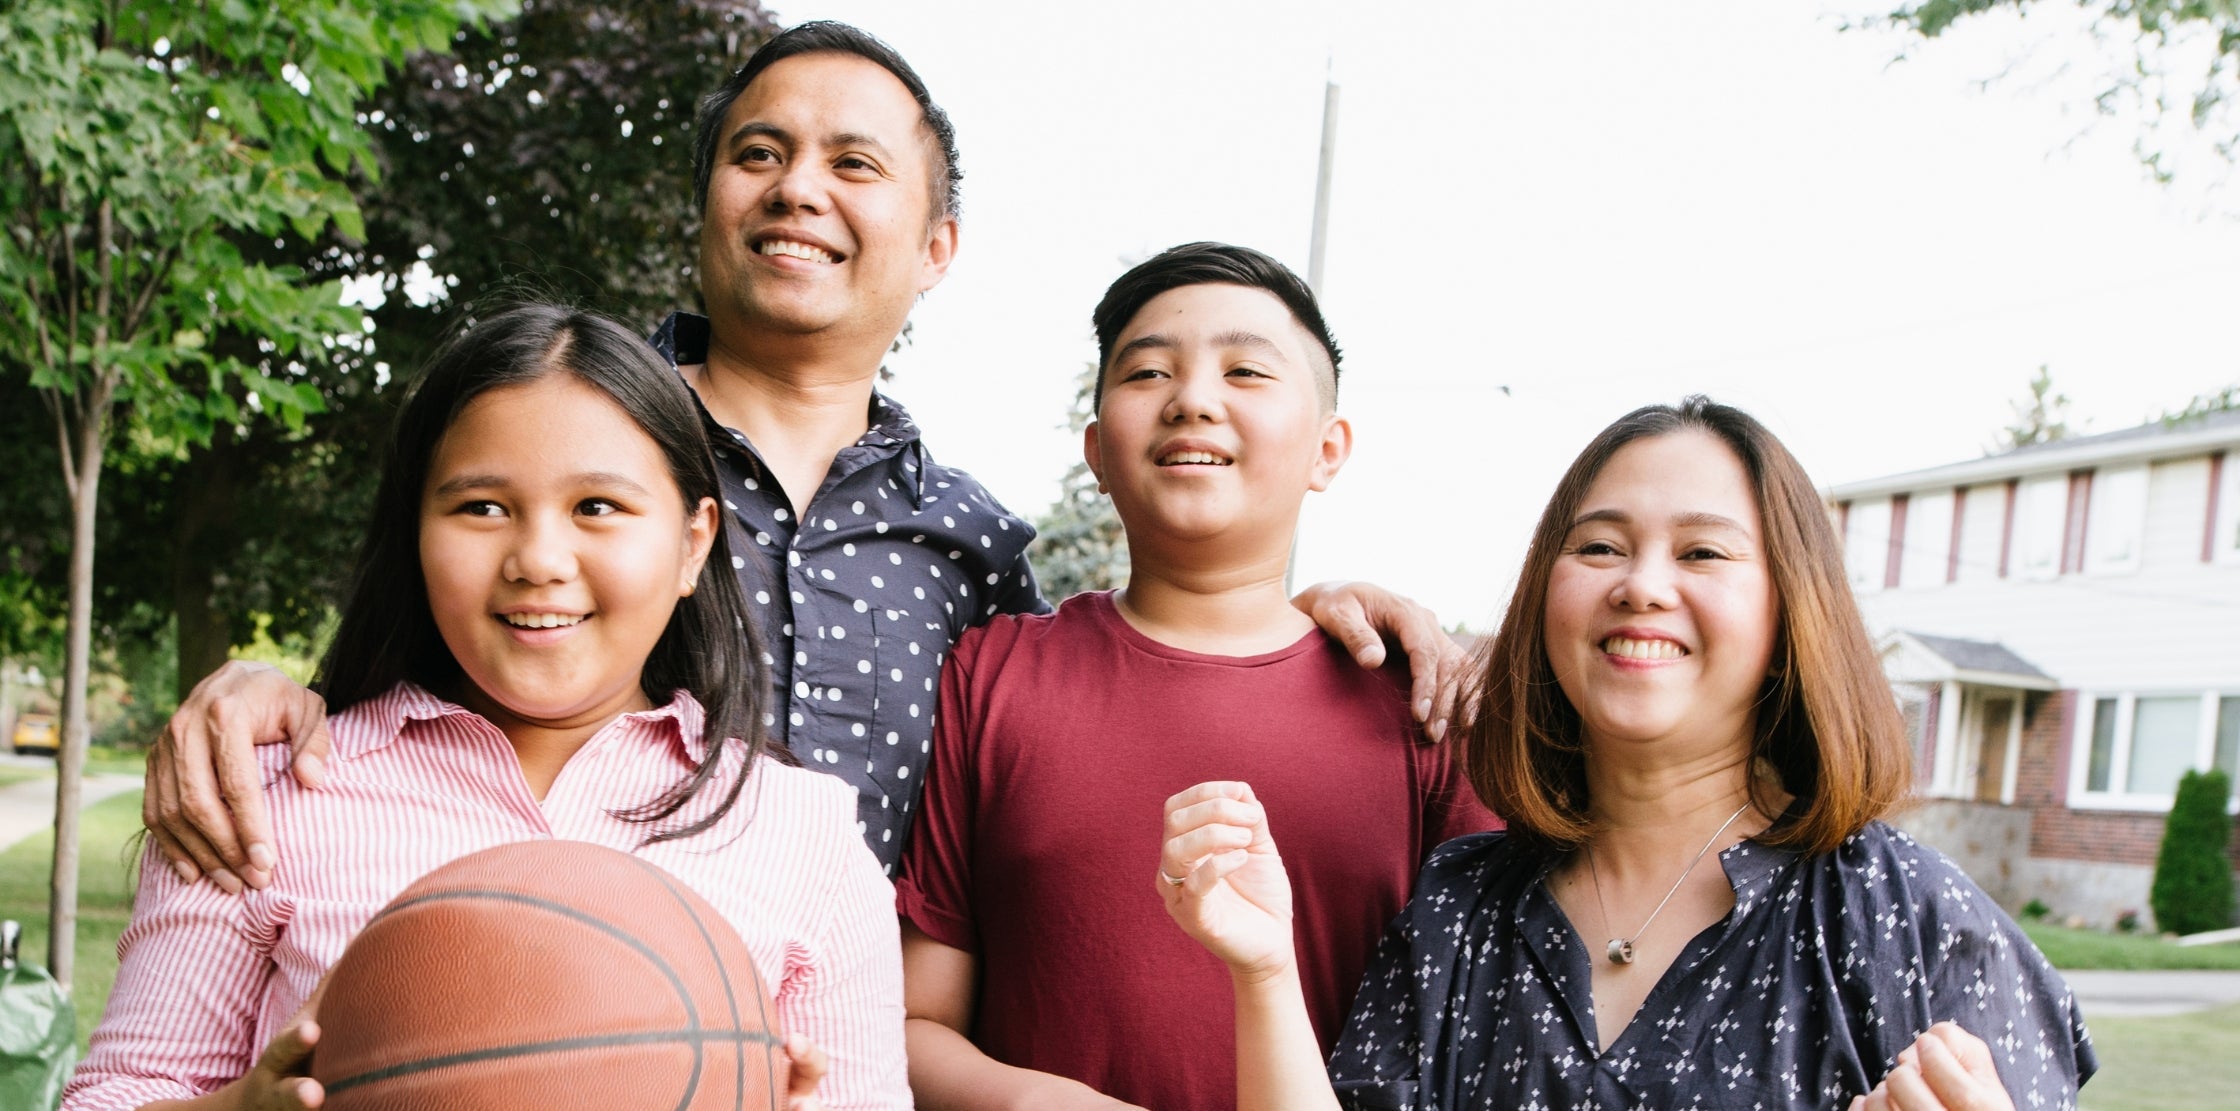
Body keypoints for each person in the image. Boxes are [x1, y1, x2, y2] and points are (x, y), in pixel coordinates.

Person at [140, 20, 1464, 890]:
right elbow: (403, 688)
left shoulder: (979, 543)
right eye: (758, 154)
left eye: (855, 163)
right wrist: (264, 690)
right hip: (568, 1020)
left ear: (937, 247)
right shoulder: (574, 450)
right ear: (706, 205)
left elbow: (1118, 688)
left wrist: (1316, 613)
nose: (799, 190)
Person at [63, 305, 907, 1111]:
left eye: (597, 508)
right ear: (416, 532)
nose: (538, 559)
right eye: (482, 507)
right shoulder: (264, 798)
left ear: (692, 542)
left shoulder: (808, 836)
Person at [1159, 397, 2096, 1110]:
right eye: (1600, 546)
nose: (1642, 585)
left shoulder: (1907, 924)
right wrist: (1265, 969)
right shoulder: (1460, 908)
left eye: (1704, 554)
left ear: (1790, 613)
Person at [897, 244, 1498, 1110]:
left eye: (1247, 370)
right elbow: (916, 1028)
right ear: (1098, 450)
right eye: (1148, 372)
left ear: (1328, 450)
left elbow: (1476, 1044)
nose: (1194, 400)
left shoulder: (1420, 706)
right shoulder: (993, 676)